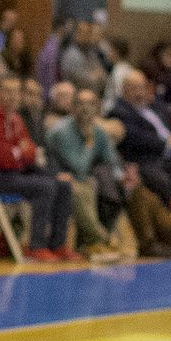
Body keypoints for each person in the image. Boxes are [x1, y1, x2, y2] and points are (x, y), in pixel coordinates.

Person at [0, 75, 74, 262]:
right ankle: (36, 246)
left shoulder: (15, 118)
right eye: (7, 91)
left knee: (62, 184)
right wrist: (20, 151)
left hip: (12, 173)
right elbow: (4, 159)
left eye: (16, 91)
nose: (12, 96)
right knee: (44, 187)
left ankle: (58, 245)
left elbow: (30, 152)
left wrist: (18, 152)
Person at [110, 70, 171, 225]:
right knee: (164, 183)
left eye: (142, 87)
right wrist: (170, 144)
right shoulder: (119, 111)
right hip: (146, 161)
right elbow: (137, 138)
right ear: (124, 90)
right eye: (134, 88)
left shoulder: (155, 106)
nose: (139, 92)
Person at [46, 88, 125, 255]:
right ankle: (102, 239)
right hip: (55, 175)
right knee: (83, 192)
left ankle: (89, 243)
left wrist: (121, 177)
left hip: (81, 178)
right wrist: (89, 141)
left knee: (116, 190)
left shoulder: (98, 131)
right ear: (73, 108)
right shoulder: (63, 131)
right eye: (81, 104)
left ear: (97, 109)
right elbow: (78, 166)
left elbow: (112, 159)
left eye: (90, 104)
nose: (86, 109)